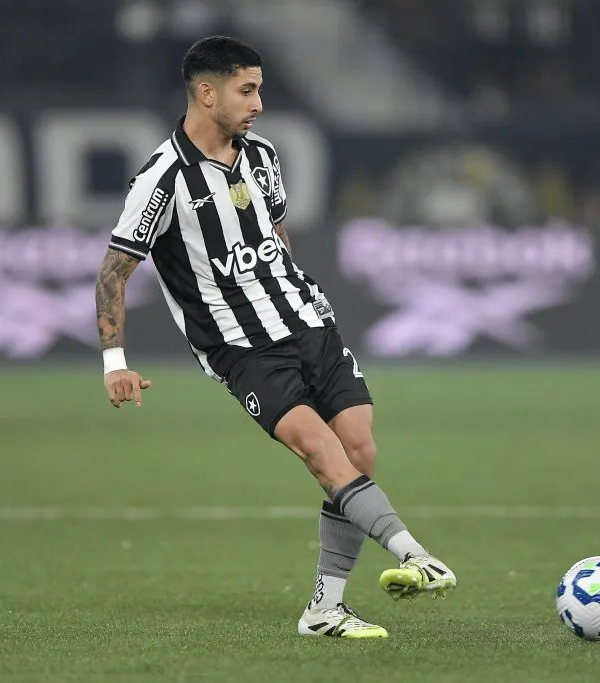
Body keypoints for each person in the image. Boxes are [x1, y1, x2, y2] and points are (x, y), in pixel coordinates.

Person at [94, 35, 456, 639]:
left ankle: (324, 609)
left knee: (358, 448)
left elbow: (275, 232)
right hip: (242, 346)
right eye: (247, 89)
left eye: (259, 88)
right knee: (320, 452)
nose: (258, 103)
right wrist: (115, 362)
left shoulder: (262, 156)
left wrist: (301, 295)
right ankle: (414, 552)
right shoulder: (162, 179)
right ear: (206, 94)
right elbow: (113, 271)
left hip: (307, 321)